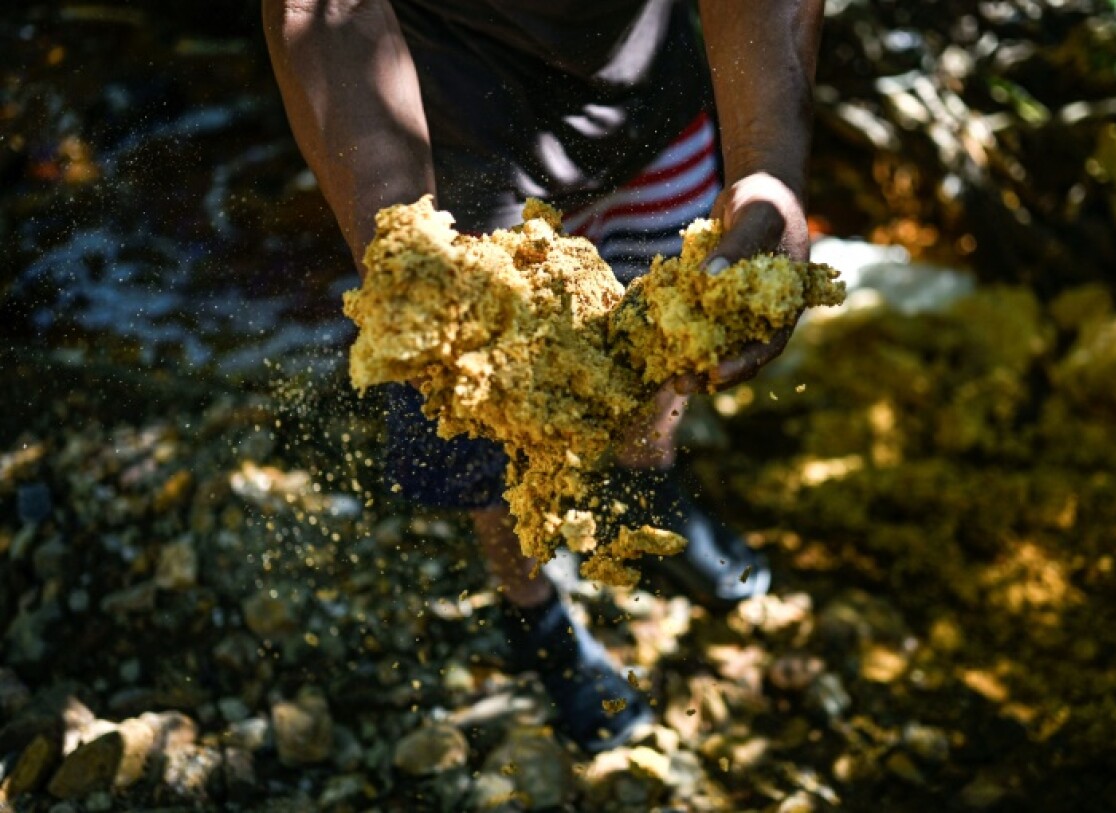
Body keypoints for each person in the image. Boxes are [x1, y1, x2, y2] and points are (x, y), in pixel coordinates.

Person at [264, 0, 824, 752]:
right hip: (454, 151)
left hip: (651, 113)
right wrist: (401, 257)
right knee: (487, 422)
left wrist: (771, 172)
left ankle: (645, 481)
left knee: (667, 330)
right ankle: (533, 608)